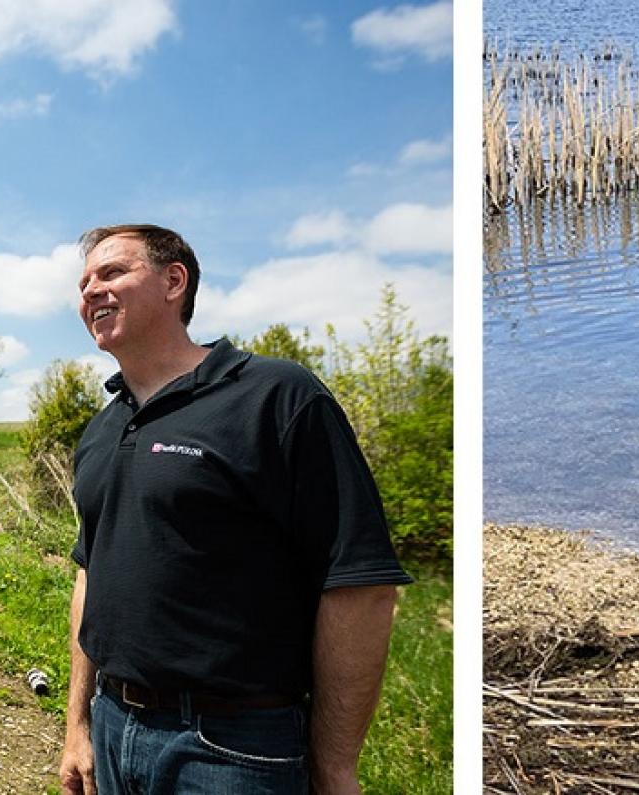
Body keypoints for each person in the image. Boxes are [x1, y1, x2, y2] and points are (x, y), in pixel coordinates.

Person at [56, 224, 412, 795]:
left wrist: (335, 766)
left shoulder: (275, 397)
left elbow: (359, 583)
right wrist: (77, 725)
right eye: (84, 282)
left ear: (175, 282)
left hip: (234, 749)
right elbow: (90, 573)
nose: (91, 291)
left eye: (113, 272)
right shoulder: (102, 429)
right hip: (113, 726)